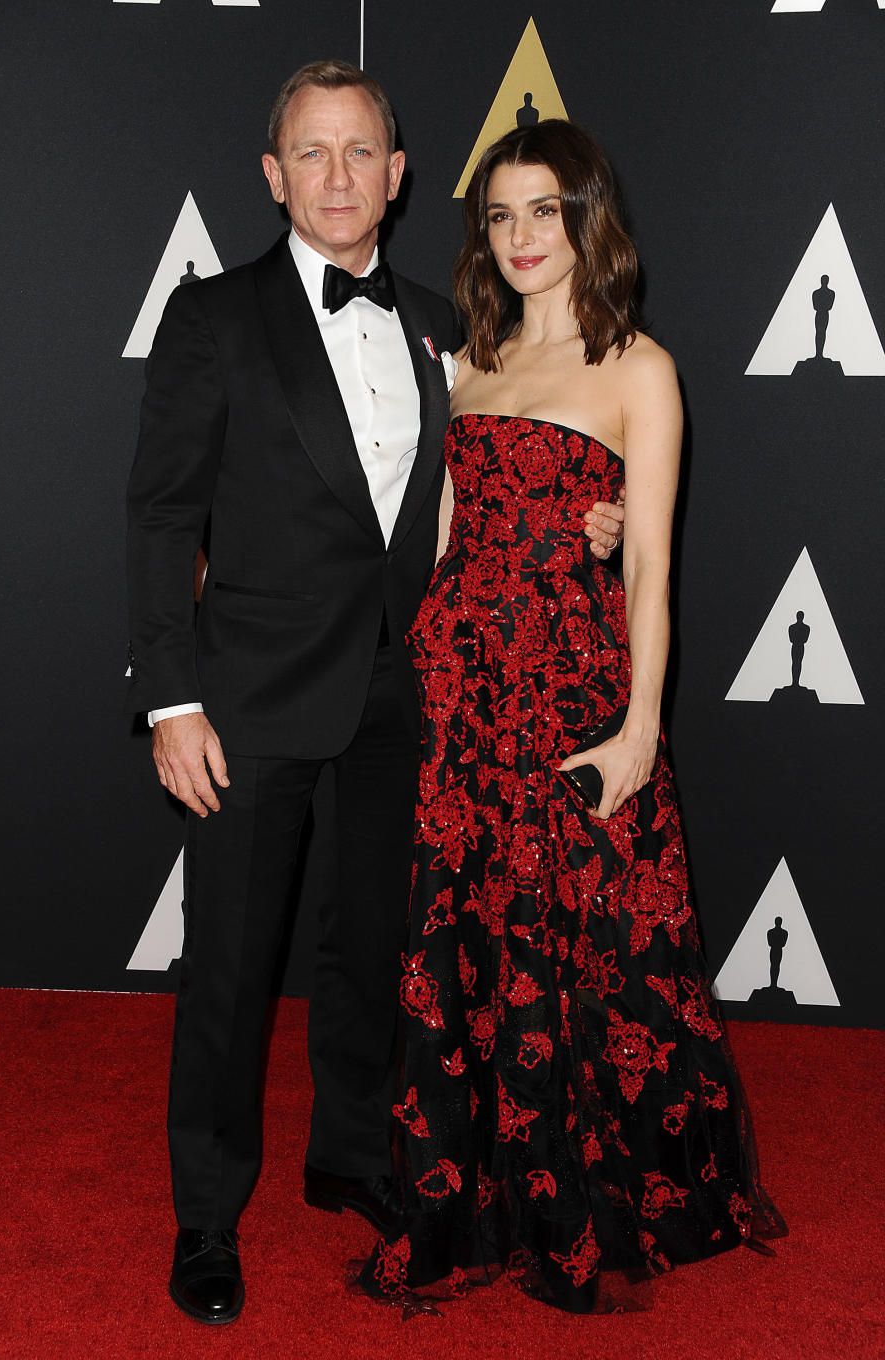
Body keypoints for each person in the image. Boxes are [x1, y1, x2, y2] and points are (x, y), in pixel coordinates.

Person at [125, 68, 625, 1325]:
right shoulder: (213, 318)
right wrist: (170, 699)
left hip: (407, 702)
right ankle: (205, 1217)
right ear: (273, 174)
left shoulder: (442, 325)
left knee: (370, 959)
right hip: (244, 707)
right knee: (231, 970)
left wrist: (592, 521)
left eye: (363, 151)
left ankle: (349, 1154)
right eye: (313, 150)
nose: (339, 174)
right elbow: (159, 516)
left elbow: (512, 475)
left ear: (400, 176)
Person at [359, 119, 784, 1313]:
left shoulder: (639, 367)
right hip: (461, 697)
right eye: (498, 216)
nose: (519, 237)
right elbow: (443, 537)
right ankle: (469, 1189)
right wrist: (421, 678)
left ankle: (581, 1201)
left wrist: (642, 725)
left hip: (569, 694)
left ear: (587, 216)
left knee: (582, 952)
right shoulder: (469, 360)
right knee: (472, 946)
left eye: (542, 210)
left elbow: (648, 563)